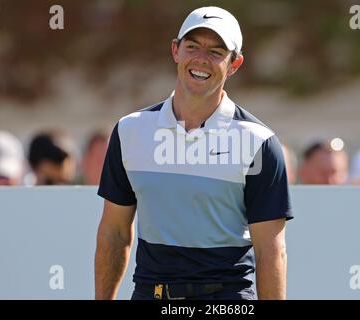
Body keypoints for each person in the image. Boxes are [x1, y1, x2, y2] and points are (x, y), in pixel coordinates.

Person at [95, 6, 293, 300]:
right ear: (176, 51)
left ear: (235, 63)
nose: (201, 59)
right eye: (192, 46)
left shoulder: (258, 142)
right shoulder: (130, 131)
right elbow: (114, 232)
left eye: (216, 51)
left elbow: (271, 251)